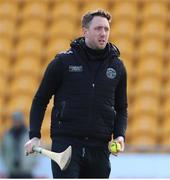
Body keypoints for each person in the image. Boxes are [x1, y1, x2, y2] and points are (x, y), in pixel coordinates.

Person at [24, 9, 128, 178]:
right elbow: (40, 100)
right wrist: (34, 135)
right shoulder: (63, 62)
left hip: (99, 147)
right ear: (85, 31)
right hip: (66, 145)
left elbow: (122, 107)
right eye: (98, 29)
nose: (103, 33)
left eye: (106, 29)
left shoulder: (117, 67)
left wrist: (120, 136)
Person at [1, 111, 37, 178]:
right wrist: (8, 164)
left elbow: (36, 151)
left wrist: (30, 164)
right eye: (15, 120)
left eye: (18, 120)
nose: (16, 122)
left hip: (26, 171)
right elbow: (3, 151)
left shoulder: (30, 135)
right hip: (12, 171)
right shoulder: (7, 135)